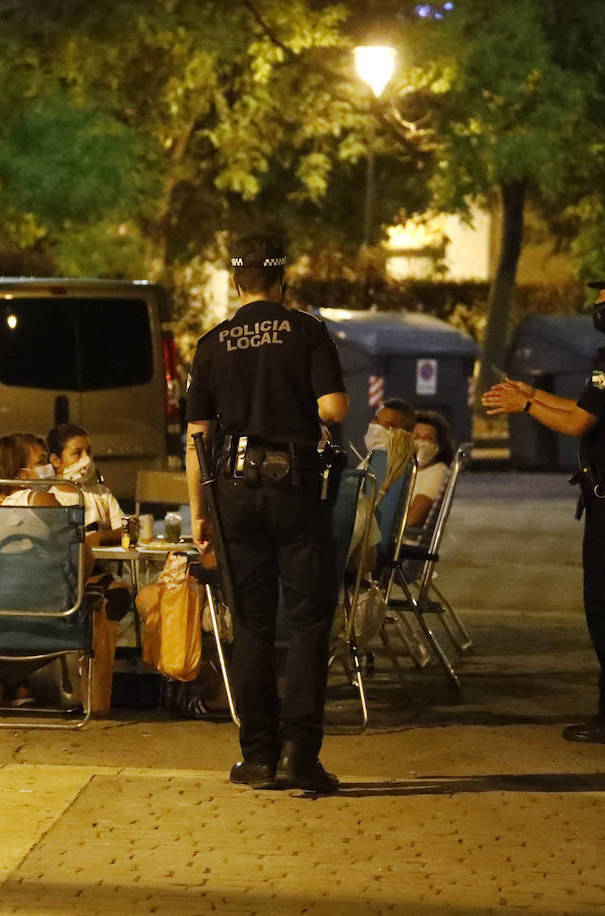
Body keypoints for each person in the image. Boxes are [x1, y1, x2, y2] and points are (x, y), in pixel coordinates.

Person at [484, 264, 605, 746]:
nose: (597, 304)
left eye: (602, 296)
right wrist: (532, 393)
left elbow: (576, 425)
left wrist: (525, 407)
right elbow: (582, 408)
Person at [185, 234, 349, 793]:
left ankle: (257, 755)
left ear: (236, 282)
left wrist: (199, 512)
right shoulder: (306, 331)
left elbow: (196, 438)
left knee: (250, 623)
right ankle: (299, 753)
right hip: (297, 489)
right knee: (307, 619)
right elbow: (333, 407)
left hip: (232, 489)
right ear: (284, 281)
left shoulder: (212, 343)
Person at [0, 435, 62, 707]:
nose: (52, 467)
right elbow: (79, 555)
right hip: (39, 624)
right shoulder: (42, 501)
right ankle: (19, 683)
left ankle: (1, 683)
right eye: (42, 461)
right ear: (19, 472)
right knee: (97, 590)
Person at [406, 410, 456, 529]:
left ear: (440, 446)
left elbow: (412, 519)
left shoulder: (436, 472)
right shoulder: (406, 470)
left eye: (429, 439)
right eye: (416, 437)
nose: (422, 443)